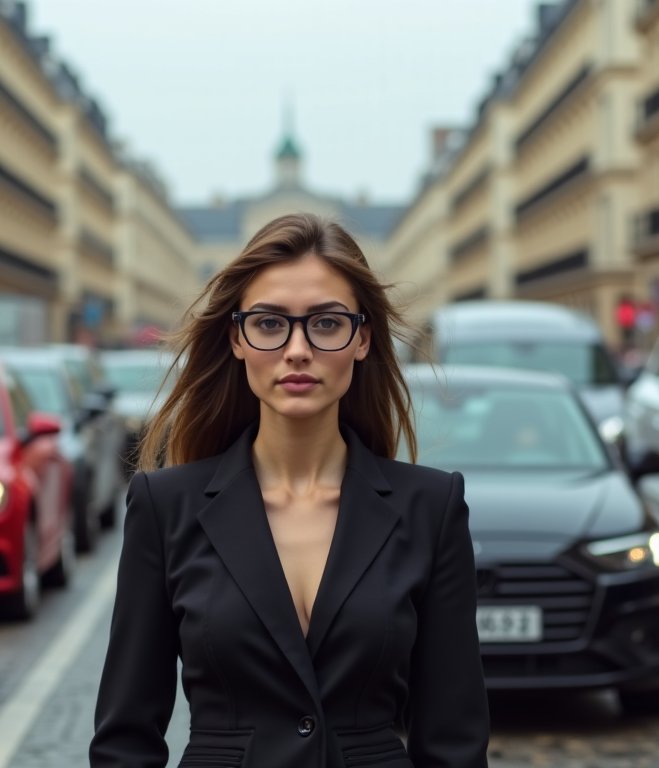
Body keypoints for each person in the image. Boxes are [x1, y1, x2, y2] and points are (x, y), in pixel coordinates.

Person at [90, 213, 489, 768]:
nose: (297, 349)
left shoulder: (431, 507)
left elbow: (454, 743)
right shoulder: (164, 505)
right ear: (237, 338)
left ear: (362, 339)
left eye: (326, 323)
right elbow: (125, 740)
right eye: (269, 323)